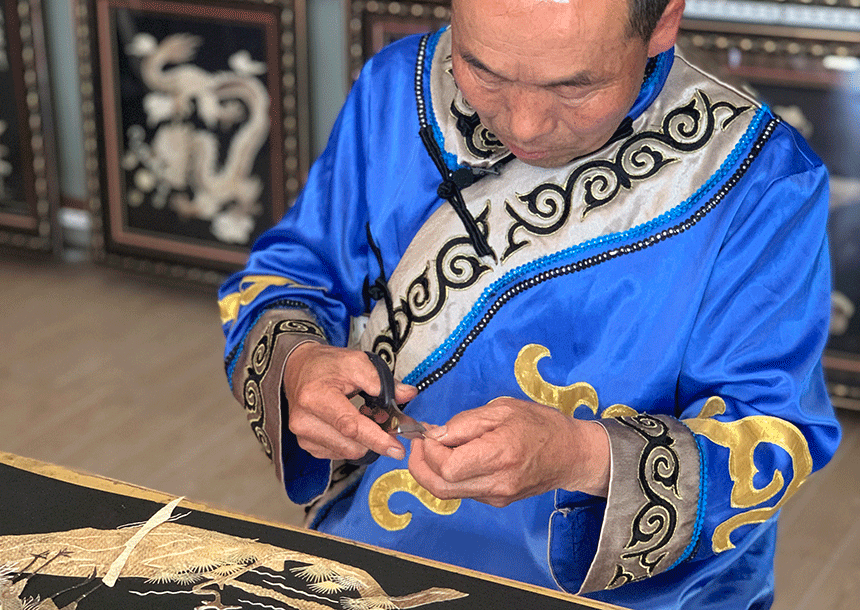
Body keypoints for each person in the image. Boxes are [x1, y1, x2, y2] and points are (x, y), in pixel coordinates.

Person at [218, 0, 842, 607]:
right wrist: (299, 364)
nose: (522, 126)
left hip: (639, 596)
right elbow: (287, 274)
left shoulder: (761, 178)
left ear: (663, 21)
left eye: (574, 87)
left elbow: (774, 436)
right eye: (482, 70)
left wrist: (580, 455)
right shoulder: (396, 88)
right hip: (376, 561)